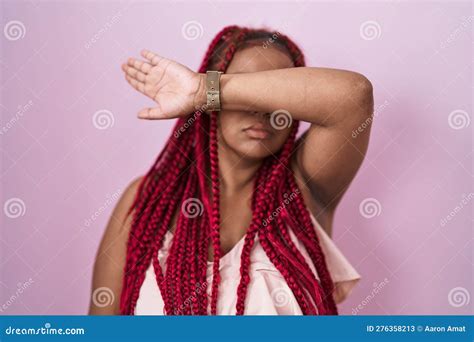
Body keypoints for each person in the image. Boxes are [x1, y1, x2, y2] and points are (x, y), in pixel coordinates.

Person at [89, 25, 373, 315]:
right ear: (212, 106)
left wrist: (204, 89)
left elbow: (355, 96)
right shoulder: (147, 199)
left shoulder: (304, 186)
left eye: (273, 94)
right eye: (247, 90)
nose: (263, 110)